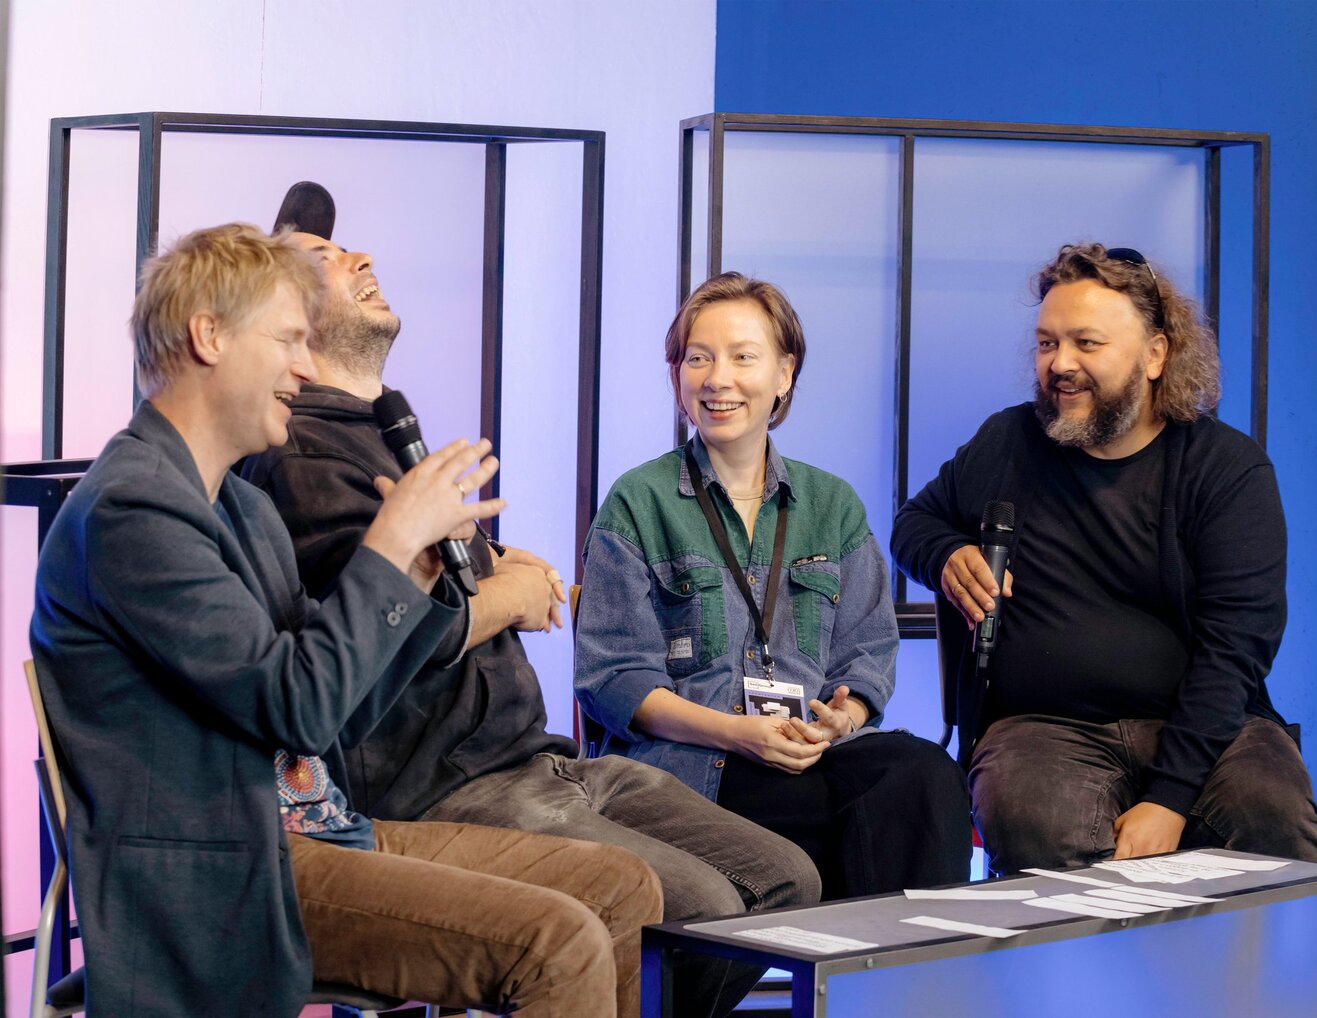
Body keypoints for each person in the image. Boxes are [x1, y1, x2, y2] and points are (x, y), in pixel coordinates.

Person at [30, 223, 661, 1017]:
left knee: (621, 886)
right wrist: (386, 546)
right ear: (209, 336)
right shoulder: (132, 509)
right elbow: (294, 703)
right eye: (288, 340)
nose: (304, 366)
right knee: (558, 942)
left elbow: (344, 712)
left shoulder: (242, 508)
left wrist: (421, 574)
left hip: (326, 830)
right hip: (236, 869)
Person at [241, 184, 820, 1018]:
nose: (363, 258)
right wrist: (509, 594)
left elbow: (460, 574)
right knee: (703, 907)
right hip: (447, 785)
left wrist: (500, 571)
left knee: (787, 881)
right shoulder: (301, 456)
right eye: (326, 260)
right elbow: (382, 636)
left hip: (542, 759)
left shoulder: (386, 432)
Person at [891, 242, 1317, 875]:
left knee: (1275, 823)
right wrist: (946, 553)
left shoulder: (1226, 469)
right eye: (1047, 344)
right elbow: (913, 523)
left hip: (1208, 727)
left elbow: (1237, 646)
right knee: (1035, 824)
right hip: (1041, 730)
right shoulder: (1008, 442)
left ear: (1156, 354)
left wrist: (1170, 797)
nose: (1060, 364)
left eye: (1087, 344)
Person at [574, 271, 972, 901]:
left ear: (784, 373)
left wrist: (841, 719)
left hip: (814, 753)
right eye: (698, 358)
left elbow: (868, 653)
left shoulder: (832, 505)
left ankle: (903, 963)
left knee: (924, 776)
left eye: (743, 357)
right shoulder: (637, 502)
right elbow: (613, 679)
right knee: (822, 817)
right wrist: (735, 732)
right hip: (693, 767)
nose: (718, 379)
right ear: (677, 375)